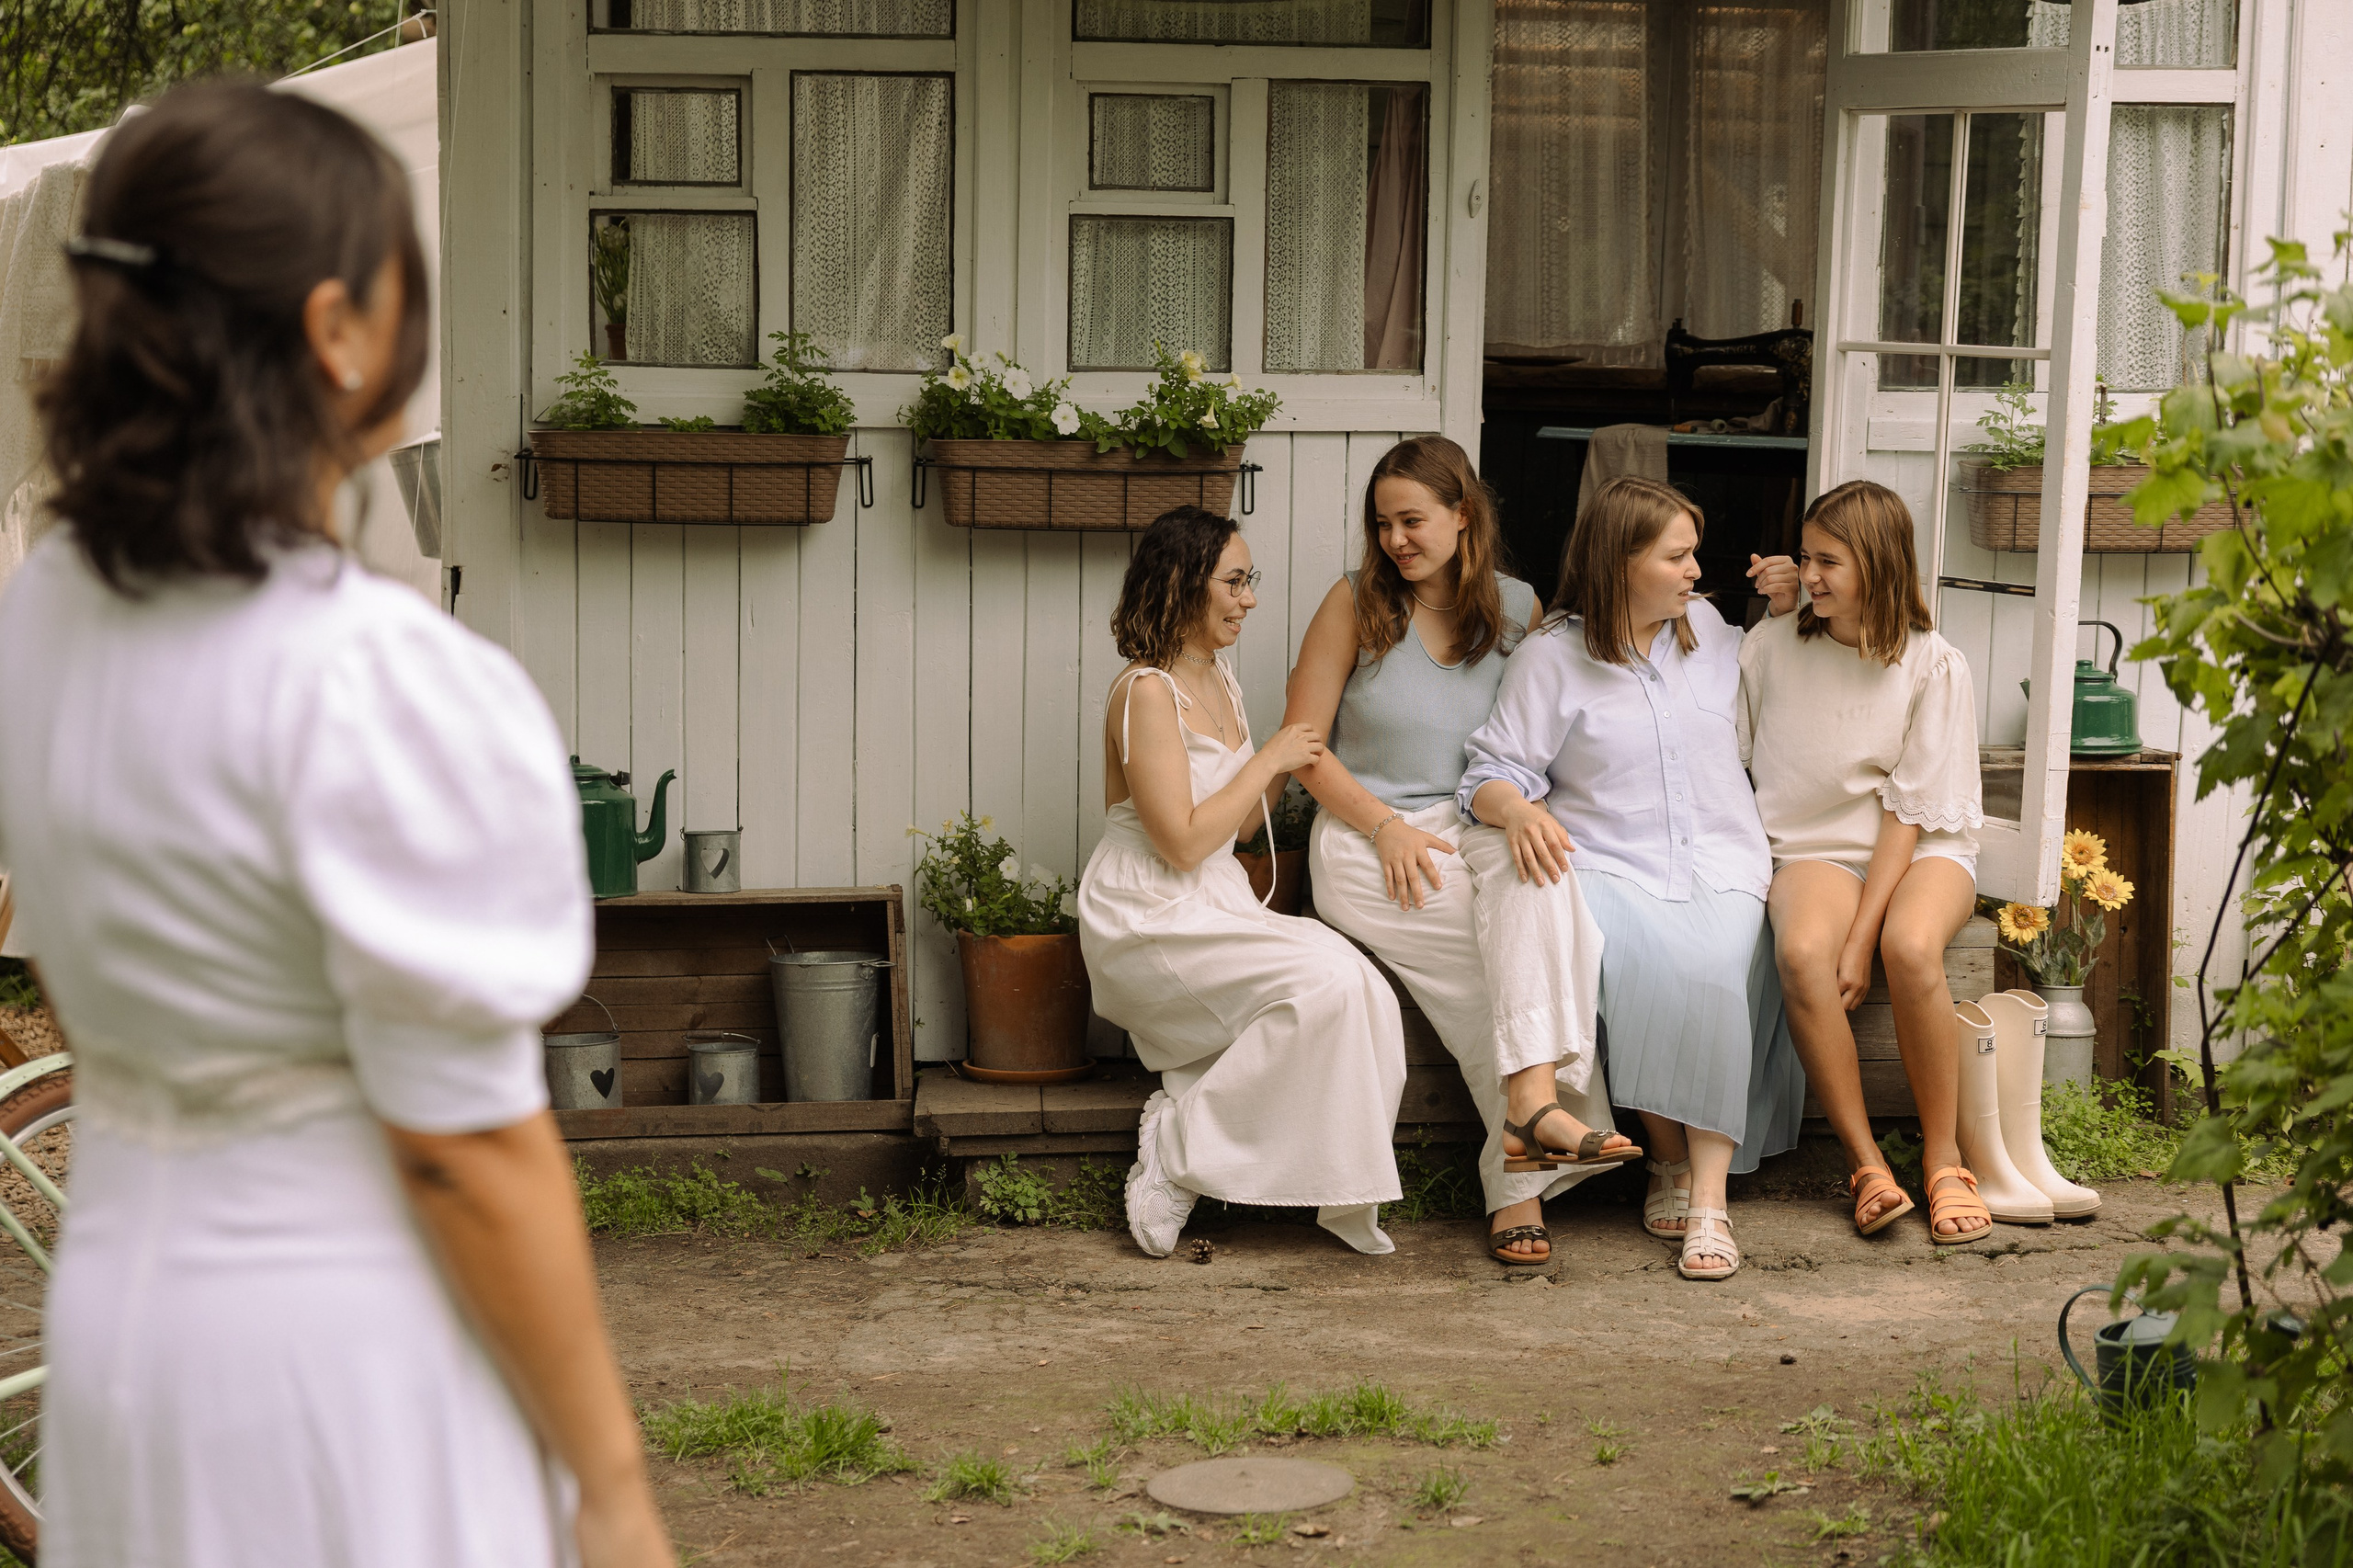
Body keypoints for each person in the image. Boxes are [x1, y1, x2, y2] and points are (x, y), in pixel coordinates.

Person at [0, 84, 672, 1567]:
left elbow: (76, 965)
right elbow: (469, 1150)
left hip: (123, 1334)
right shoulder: (380, 687)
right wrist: (612, 1487)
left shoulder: (40, 620)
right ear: (338, 332)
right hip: (337, 1358)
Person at [1284, 436, 1635, 1268]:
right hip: (1373, 837)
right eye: (1382, 525)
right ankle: (1519, 1172)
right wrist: (1383, 826)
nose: (1395, 541)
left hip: (1479, 815)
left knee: (1545, 884)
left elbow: (1547, 722)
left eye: (1412, 521)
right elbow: (1303, 746)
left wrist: (1525, 812)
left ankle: (1527, 1127)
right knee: (1493, 968)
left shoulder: (1516, 606)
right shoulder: (1354, 602)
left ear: (1463, 514)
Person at [1461, 476, 1803, 1282]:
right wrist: (1518, 812)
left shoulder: (1713, 630)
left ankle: (1707, 1201)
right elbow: (1491, 772)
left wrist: (1792, 600)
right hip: (1613, 861)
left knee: (1716, 969)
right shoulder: (1550, 658)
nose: (1695, 571)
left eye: (1694, 554)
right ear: (1621, 562)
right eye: (1677, 556)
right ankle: (1669, 1161)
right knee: (1640, 963)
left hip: (1722, 858)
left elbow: (1792, 663)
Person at [1077, 506, 1407, 1259]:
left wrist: (1293, 775)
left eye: (1248, 580)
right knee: (1326, 982)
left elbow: (1243, 830)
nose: (1249, 598)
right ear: (1182, 584)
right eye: (1234, 581)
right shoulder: (1146, 691)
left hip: (1216, 896)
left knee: (1362, 989)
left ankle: (1331, 1182)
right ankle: (1178, 1147)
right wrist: (1271, 761)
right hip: (1149, 910)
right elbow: (1186, 842)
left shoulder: (1220, 677)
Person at [1739, 480, 1988, 1243]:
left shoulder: (1930, 663)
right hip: (1814, 844)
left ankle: (1945, 1161)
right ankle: (1867, 1165)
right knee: (1802, 951)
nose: (1809, 575)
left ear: (1877, 565)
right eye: (1806, 557)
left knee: (1909, 947)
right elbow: (1737, 755)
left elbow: (1909, 813)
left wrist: (1863, 938)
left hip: (1919, 844)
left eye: (1829, 562)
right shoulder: (1771, 645)